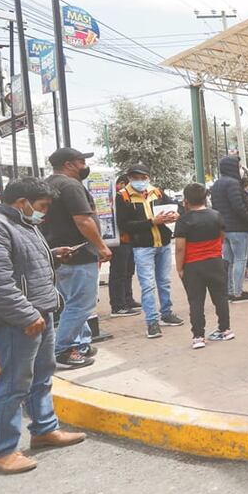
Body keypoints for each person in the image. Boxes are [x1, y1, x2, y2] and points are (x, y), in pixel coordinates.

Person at [0, 177, 88, 474]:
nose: (43, 213)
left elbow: (24, 266)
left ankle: (44, 430)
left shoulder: (24, 223)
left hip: (40, 311)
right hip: (19, 320)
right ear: (22, 203)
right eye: (42, 206)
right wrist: (25, 315)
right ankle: (1, 449)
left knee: (42, 375)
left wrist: (53, 256)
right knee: (14, 384)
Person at [43, 147, 112, 369]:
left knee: (73, 302)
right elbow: (83, 220)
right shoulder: (70, 185)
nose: (84, 166)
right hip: (78, 253)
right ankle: (63, 349)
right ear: (69, 165)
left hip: (59, 253)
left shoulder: (49, 183)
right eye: (81, 161)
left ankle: (79, 344)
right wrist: (101, 247)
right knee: (82, 303)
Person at [115, 163, 185, 339]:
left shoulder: (157, 192)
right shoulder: (123, 196)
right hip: (142, 247)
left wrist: (176, 214)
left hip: (163, 244)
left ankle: (166, 313)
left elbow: (177, 207)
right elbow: (124, 225)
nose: (139, 181)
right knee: (148, 285)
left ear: (148, 177)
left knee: (165, 281)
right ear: (129, 178)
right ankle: (152, 321)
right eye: (135, 178)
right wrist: (152, 222)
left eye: (142, 178)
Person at [174, 184, 233, 350]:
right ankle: (225, 329)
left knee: (196, 301)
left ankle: (198, 336)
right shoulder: (216, 215)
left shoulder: (183, 220)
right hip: (215, 262)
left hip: (193, 265)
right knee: (220, 297)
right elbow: (222, 236)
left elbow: (180, 248)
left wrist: (179, 268)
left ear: (185, 201)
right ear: (205, 198)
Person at [210, 156, 248, 302]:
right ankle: (238, 292)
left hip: (224, 229)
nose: (241, 169)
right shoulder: (233, 184)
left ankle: (229, 291)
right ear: (232, 167)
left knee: (228, 261)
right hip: (238, 228)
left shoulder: (216, 184)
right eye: (239, 166)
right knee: (240, 260)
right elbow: (238, 206)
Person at [108, 173, 141, 317]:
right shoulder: (115, 199)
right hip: (119, 241)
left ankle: (127, 299)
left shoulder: (126, 198)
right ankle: (118, 305)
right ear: (121, 184)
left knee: (128, 271)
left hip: (129, 240)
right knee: (118, 273)